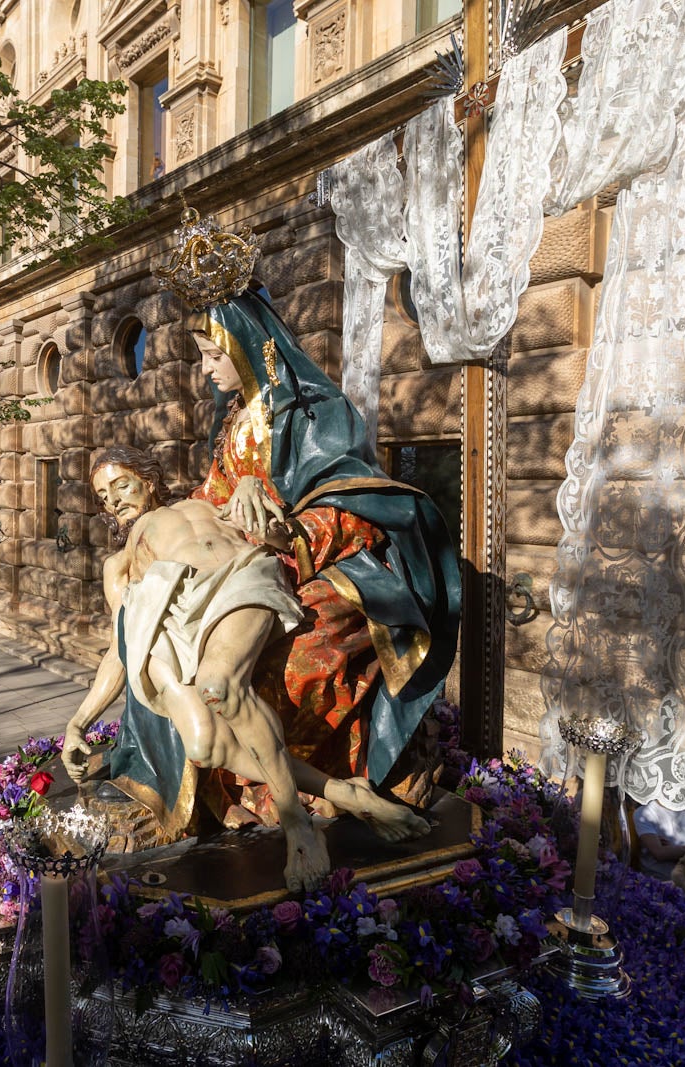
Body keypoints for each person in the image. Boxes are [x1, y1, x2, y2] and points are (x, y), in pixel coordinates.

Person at [100, 211, 460, 834]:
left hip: (323, 565)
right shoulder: (234, 427)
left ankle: (307, 796)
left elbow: (359, 510)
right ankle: (213, 786)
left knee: (290, 658)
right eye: (204, 356)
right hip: (246, 572)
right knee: (161, 634)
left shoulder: (317, 414)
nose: (207, 369)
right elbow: (207, 506)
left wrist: (284, 531)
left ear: (250, 346)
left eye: (215, 355)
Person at [63, 447, 427, 890]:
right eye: (103, 496)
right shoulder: (118, 565)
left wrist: (254, 491)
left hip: (238, 578)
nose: (113, 500)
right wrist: (79, 721)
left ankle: (298, 825)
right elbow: (125, 646)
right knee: (204, 746)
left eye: (121, 485)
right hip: (174, 610)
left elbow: (272, 520)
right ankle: (343, 792)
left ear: (148, 480)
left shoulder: (206, 502)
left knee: (221, 684)